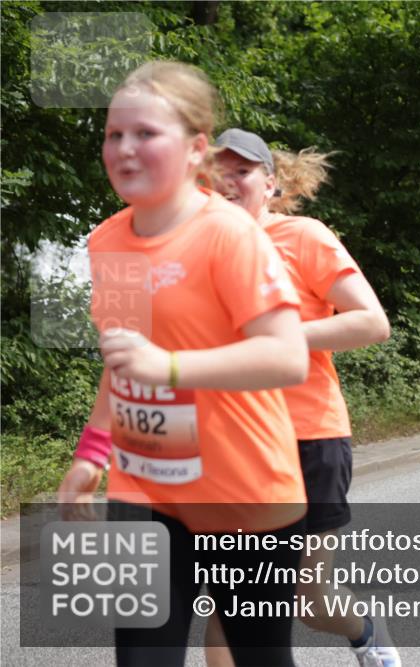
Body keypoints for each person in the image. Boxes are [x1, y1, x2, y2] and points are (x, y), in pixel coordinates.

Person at [56, 61, 310, 667]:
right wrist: (91, 456)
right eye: (114, 135)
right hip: (146, 489)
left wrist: (169, 366)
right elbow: (123, 361)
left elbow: (287, 356)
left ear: (197, 148)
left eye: (146, 133)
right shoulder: (108, 242)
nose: (124, 149)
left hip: (241, 495)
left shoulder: (228, 235)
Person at [206, 129, 398, 666]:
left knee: (309, 599)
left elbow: (371, 322)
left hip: (309, 436)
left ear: (269, 184)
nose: (226, 182)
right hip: (230, 448)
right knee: (231, 606)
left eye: (240, 171)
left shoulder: (303, 236)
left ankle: (366, 632)